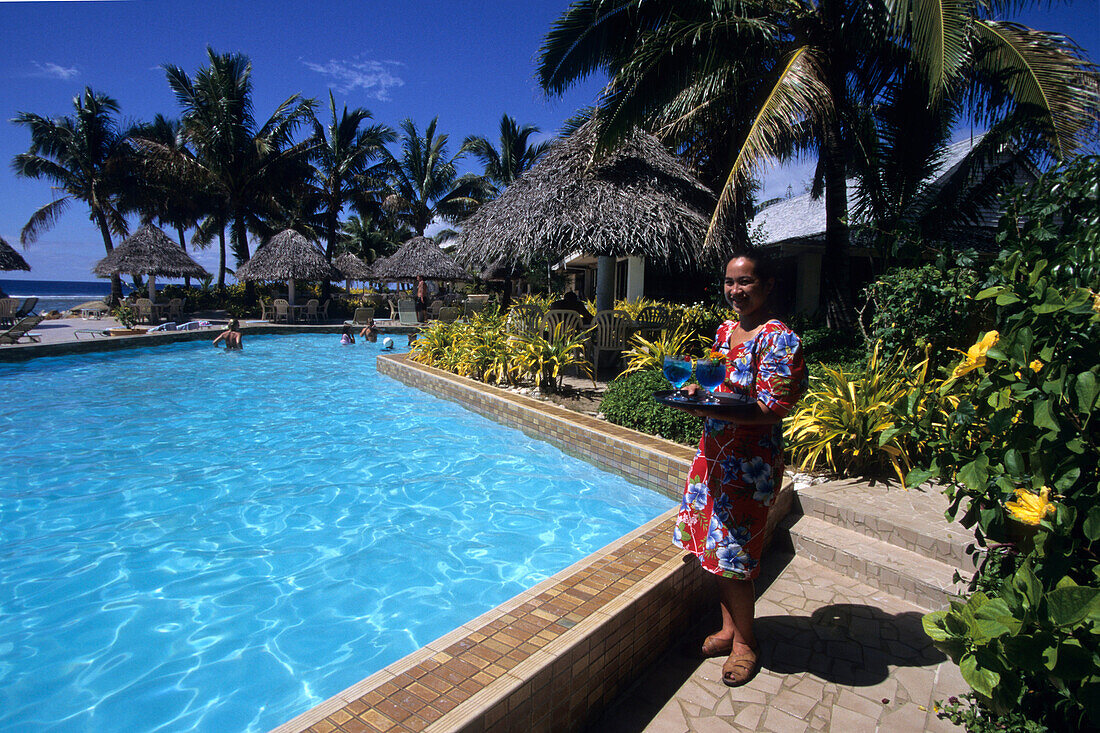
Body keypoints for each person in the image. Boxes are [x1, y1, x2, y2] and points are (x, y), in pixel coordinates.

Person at [664, 252, 806, 688]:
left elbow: (775, 406)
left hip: (750, 465)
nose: (735, 291)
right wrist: (695, 391)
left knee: (736, 557)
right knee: (718, 553)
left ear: (766, 286)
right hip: (714, 455)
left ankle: (746, 645)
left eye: (745, 282)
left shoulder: (778, 338)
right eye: (729, 282)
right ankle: (729, 631)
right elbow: (720, 384)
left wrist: (711, 409)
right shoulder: (727, 330)